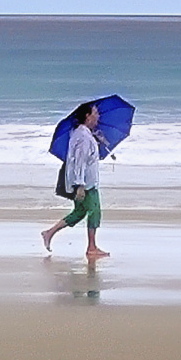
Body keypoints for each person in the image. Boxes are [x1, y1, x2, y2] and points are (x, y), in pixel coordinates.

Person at [41, 100, 110, 258]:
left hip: (85, 181)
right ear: (87, 116)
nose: (98, 116)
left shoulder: (84, 134)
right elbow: (79, 161)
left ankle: (49, 233)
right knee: (94, 211)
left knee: (80, 212)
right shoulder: (83, 137)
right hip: (86, 183)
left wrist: (99, 142)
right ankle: (91, 247)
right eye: (95, 113)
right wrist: (80, 185)